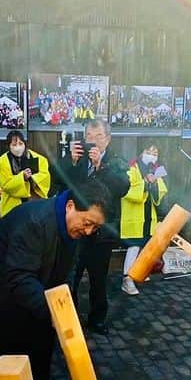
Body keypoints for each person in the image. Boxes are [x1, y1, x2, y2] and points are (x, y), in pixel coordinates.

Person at [0, 180, 109, 380]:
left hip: (25, 289)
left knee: (40, 353)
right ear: (70, 206)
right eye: (87, 222)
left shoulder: (73, 227)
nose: (89, 231)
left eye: (96, 227)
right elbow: (19, 277)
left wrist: (66, 309)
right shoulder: (36, 221)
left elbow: (64, 273)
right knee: (5, 371)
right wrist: (56, 315)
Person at [65, 118, 131, 332]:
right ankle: (69, 320)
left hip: (102, 232)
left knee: (98, 278)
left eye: (98, 137)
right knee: (70, 275)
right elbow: (59, 181)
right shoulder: (77, 158)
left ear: (108, 139)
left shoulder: (116, 161)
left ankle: (97, 319)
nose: (93, 142)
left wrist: (99, 166)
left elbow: (122, 187)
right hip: (75, 229)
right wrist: (71, 162)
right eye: (89, 137)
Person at [120, 144, 168, 296]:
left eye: (155, 152)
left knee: (145, 245)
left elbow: (161, 190)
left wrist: (153, 183)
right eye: (149, 151)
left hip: (148, 214)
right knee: (134, 246)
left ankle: (139, 272)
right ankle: (127, 279)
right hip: (134, 214)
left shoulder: (155, 169)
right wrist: (146, 182)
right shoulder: (132, 168)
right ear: (141, 152)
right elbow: (127, 189)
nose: (152, 154)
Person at [0, 129, 51, 217]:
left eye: (21, 144)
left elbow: (45, 177)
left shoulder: (38, 158)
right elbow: (6, 185)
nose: (18, 147)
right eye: (14, 145)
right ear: (8, 146)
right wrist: (22, 177)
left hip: (34, 203)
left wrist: (33, 178)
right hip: (12, 205)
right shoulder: (2, 161)